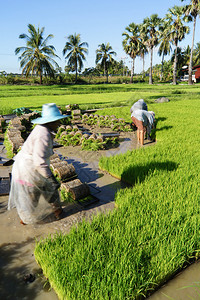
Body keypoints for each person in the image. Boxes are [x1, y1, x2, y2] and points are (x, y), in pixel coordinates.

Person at [8, 103, 68, 225]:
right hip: (28, 169)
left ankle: (54, 213)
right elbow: (39, 161)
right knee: (37, 194)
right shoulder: (43, 134)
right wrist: (51, 178)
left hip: (30, 167)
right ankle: (31, 221)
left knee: (41, 192)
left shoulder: (43, 129)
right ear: (51, 122)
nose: (58, 124)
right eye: (57, 121)